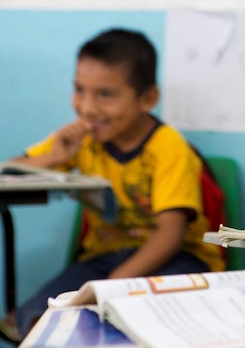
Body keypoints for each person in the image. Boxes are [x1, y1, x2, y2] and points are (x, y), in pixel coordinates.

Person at [0, 28, 224, 343]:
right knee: (34, 322)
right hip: (102, 258)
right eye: (79, 90)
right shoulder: (83, 137)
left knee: (139, 324)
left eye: (105, 94)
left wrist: (109, 289)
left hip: (178, 259)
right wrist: (53, 157)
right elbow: (7, 173)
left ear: (148, 98)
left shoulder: (168, 147)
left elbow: (170, 236)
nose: (88, 108)